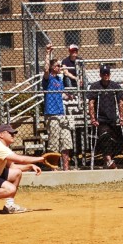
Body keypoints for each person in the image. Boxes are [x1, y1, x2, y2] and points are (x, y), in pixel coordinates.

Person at [87, 65, 123, 169]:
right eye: (104, 74)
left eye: (107, 73)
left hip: (112, 118)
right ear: (100, 75)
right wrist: (93, 119)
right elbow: (91, 103)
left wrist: (121, 117)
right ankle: (108, 160)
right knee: (105, 135)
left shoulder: (115, 86)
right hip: (101, 119)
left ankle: (107, 160)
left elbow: (120, 102)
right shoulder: (95, 86)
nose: (106, 75)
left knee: (114, 140)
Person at [42, 43, 72, 171]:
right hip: (52, 114)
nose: (60, 67)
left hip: (61, 113)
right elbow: (45, 69)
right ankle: (53, 168)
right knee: (54, 143)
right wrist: (48, 52)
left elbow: (62, 95)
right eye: (58, 66)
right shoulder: (48, 79)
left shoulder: (60, 80)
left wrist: (68, 96)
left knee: (66, 141)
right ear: (53, 67)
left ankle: (66, 168)